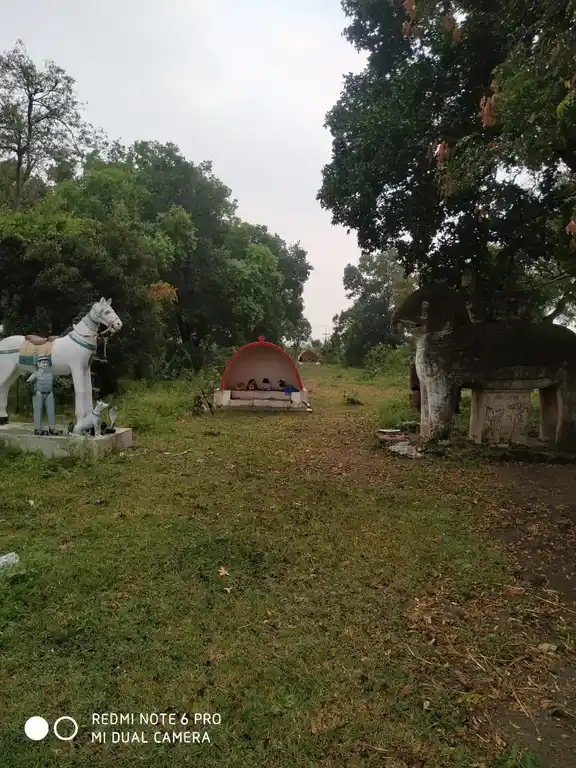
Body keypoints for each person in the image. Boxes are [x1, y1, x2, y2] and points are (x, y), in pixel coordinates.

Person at [27, 355, 56, 435]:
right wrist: (33, 392)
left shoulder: (50, 374)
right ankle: (37, 429)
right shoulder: (36, 374)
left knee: (51, 411)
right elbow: (28, 383)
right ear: (38, 364)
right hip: (39, 393)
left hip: (49, 393)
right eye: (43, 363)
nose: (45, 364)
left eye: (47, 363)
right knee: (38, 411)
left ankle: (52, 428)